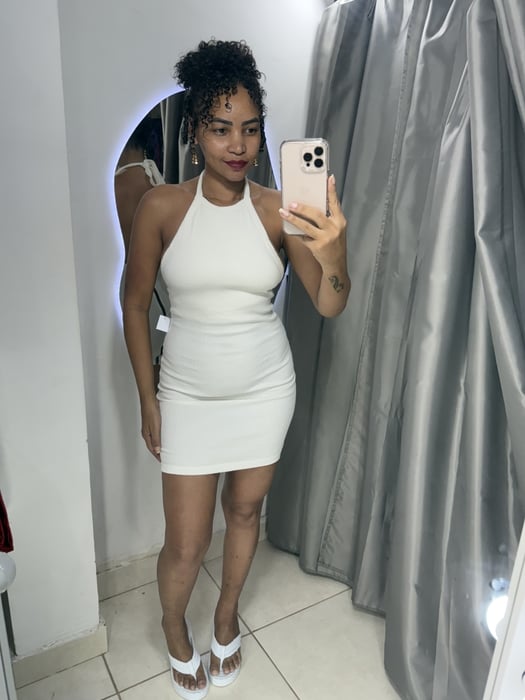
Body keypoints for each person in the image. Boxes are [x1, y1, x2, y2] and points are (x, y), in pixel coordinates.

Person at [122, 39, 350, 700]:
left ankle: (226, 620)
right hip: (187, 396)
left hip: (264, 390)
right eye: (221, 128)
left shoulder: (280, 210)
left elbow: (330, 303)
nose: (238, 144)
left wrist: (334, 252)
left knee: (245, 513)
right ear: (195, 130)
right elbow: (134, 303)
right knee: (186, 544)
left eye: (250, 128)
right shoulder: (161, 207)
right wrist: (148, 399)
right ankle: (173, 628)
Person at [115, 117, 169, 369]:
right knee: (160, 342)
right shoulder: (152, 180)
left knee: (140, 349)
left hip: (127, 280)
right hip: (159, 282)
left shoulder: (114, 184)